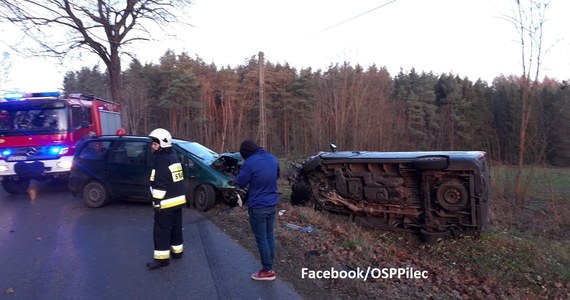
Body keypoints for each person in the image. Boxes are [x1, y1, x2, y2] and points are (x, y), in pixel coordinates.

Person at [235, 139, 280, 281]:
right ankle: (270, 263)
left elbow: (240, 182)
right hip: (272, 204)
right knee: (269, 235)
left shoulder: (249, 163)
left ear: (246, 153)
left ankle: (267, 270)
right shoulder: (272, 158)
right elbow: (277, 175)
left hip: (258, 206)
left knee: (261, 238)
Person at [146, 128, 187, 270]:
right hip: (177, 201)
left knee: (161, 230)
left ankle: (162, 259)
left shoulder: (161, 160)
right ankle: (177, 252)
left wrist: (156, 202)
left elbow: (160, 183)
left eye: (155, 144)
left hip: (165, 202)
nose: (152, 146)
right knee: (176, 228)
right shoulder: (173, 157)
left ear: (162, 144)